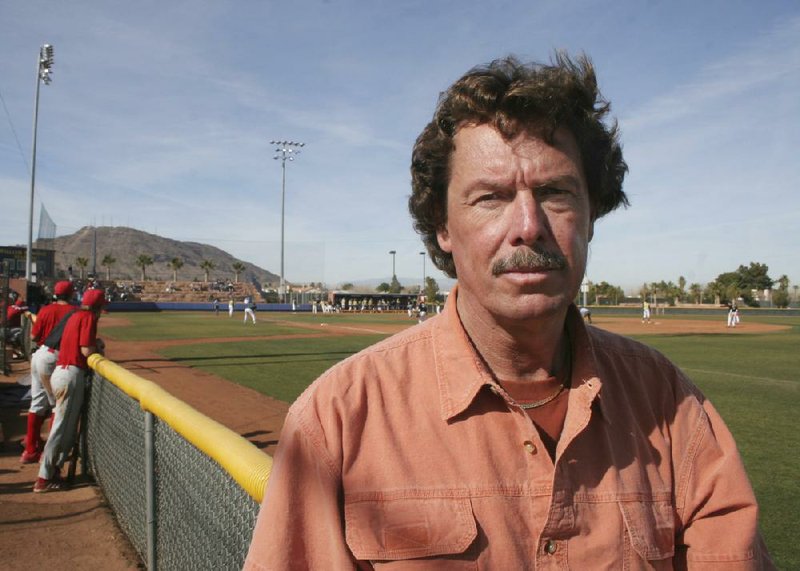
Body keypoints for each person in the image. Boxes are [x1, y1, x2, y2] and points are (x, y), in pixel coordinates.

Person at [245, 54, 772, 568]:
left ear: (592, 215)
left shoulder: (671, 406)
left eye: (556, 192)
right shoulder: (337, 420)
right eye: (491, 197)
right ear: (444, 228)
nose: (528, 224)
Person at [33, 288, 105, 493]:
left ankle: (52, 471)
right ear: (97, 307)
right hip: (70, 375)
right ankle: (44, 478)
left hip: (61, 372)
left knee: (64, 427)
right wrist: (97, 347)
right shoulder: (88, 317)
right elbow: (85, 350)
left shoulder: (74, 315)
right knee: (61, 428)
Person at [21, 281, 76, 464]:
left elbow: (34, 337)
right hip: (56, 358)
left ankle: (30, 450)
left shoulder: (45, 310)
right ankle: (49, 453)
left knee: (36, 403)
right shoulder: (74, 312)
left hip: (39, 355)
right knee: (56, 406)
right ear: (71, 294)